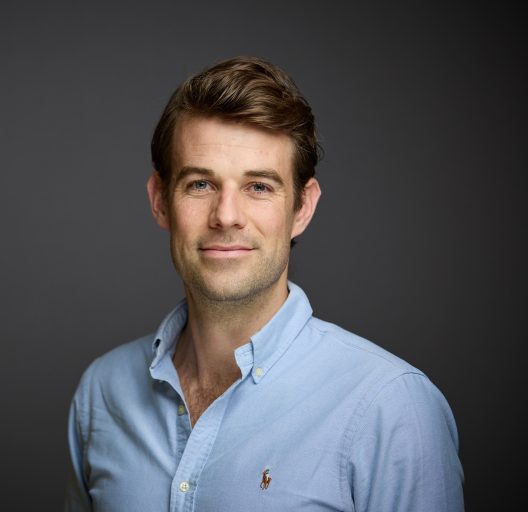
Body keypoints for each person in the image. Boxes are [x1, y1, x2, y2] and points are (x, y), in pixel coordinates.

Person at [64, 56, 464, 511]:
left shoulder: (390, 409)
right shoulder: (103, 391)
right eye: (200, 184)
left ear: (302, 208)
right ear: (160, 201)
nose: (226, 216)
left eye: (258, 187)